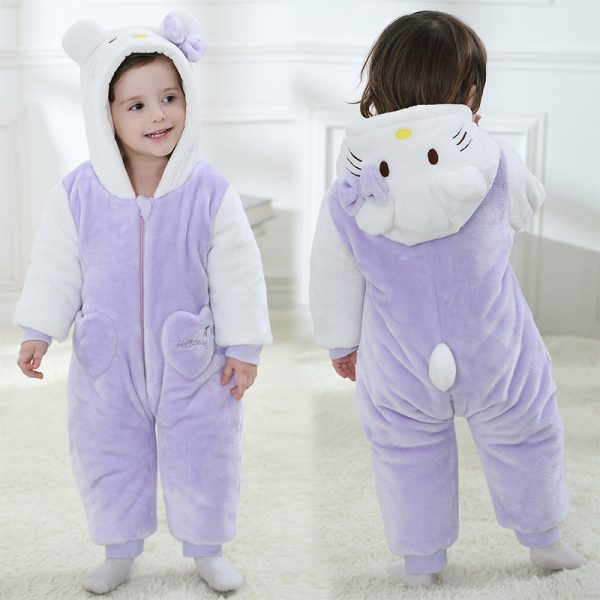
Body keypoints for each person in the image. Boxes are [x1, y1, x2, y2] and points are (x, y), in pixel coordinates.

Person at [309, 10, 586, 588]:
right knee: (526, 432)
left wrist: (341, 343)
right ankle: (545, 541)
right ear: (471, 95)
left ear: (377, 86)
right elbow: (525, 208)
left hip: (400, 360)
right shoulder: (494, 160)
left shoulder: (351, 185)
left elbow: (334, 272)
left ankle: (421, 561)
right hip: (496, 349)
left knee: (405, 452)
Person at [15, 12, 272, 595]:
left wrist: (244, 346)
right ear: (104, 113)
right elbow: (55, 266)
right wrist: (37, 331)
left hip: (194, 358)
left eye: (169, 97)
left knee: (205, 452)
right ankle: (118, 549)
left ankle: (206, 549)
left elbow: (238, 272)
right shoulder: (78, 194)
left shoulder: (208, 191)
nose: (158, 115)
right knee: (108, 453)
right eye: (136, 105)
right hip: (108, 362)